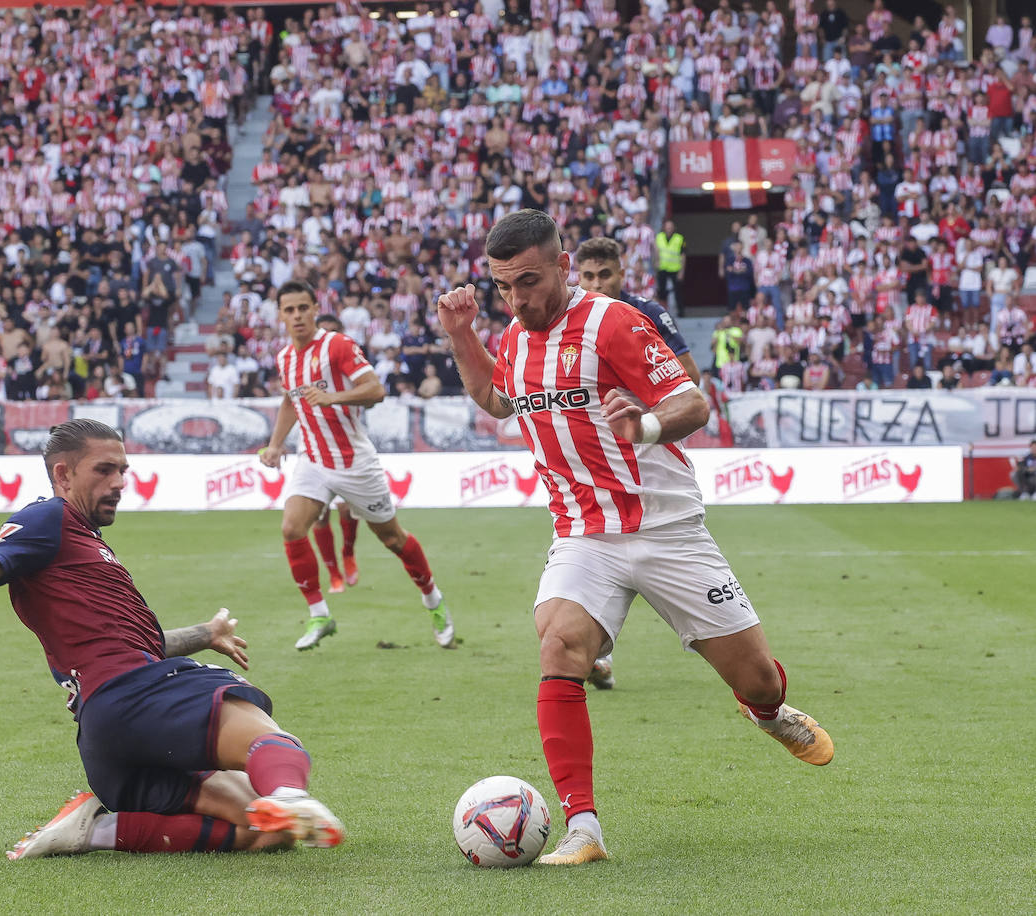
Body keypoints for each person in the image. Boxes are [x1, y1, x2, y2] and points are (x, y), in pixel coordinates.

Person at [436, 210, 834, 867]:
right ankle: (583, 829)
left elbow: (692, 401)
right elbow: (498, 400)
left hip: (667, 527)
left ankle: (769, 715)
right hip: (583, 533)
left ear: (563, 268)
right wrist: (461, 336)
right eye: (505, 287)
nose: (518, 298)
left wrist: (646, 428)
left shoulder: (614, 323)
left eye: (529, 281)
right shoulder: (513, 337)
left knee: (758, 680)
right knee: (559, 641)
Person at [0, 420, 344, 858]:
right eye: (104, 470)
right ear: (63, 475)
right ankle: (291, 793)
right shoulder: (47, 520)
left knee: (267, 834)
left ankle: (100, 829)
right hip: (132, 699)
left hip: (109, 733)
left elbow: (130, 645)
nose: (120, 481)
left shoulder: (82, 546)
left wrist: (205, 633)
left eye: (123, 469)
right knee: (267, 741)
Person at [260, 280, 454, 651]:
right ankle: (320, 613)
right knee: (291, 527)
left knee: (393, 539)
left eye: (303, 307)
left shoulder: (337, 345)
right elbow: (291, 401)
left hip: (354, 462)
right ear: (280, 315)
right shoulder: (285, 358)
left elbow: (376, 390)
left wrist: (334, 397)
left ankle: (433, 599)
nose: (297, 315)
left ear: (316, 308)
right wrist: (275, 444)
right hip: (312, 458)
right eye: (289, 310)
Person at [572, 236, 702, 690]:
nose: (597, 284)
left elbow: (691, 380)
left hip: (649, 465)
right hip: (590, 469)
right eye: (588, 276)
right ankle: (595, 655)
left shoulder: (646, 313)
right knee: (590, 567)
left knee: (654, 561)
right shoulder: (566, 321)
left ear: (622, 272)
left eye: (605, 274)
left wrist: (639, 404)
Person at [309, 315, 362, 595]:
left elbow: (373, 393)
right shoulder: (304, 367)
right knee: (318, 515)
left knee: (346, 509)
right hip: (313, 448)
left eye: (334, 333)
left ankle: (348, 554)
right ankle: (333, 575)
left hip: (346, 445)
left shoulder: (351, 365)